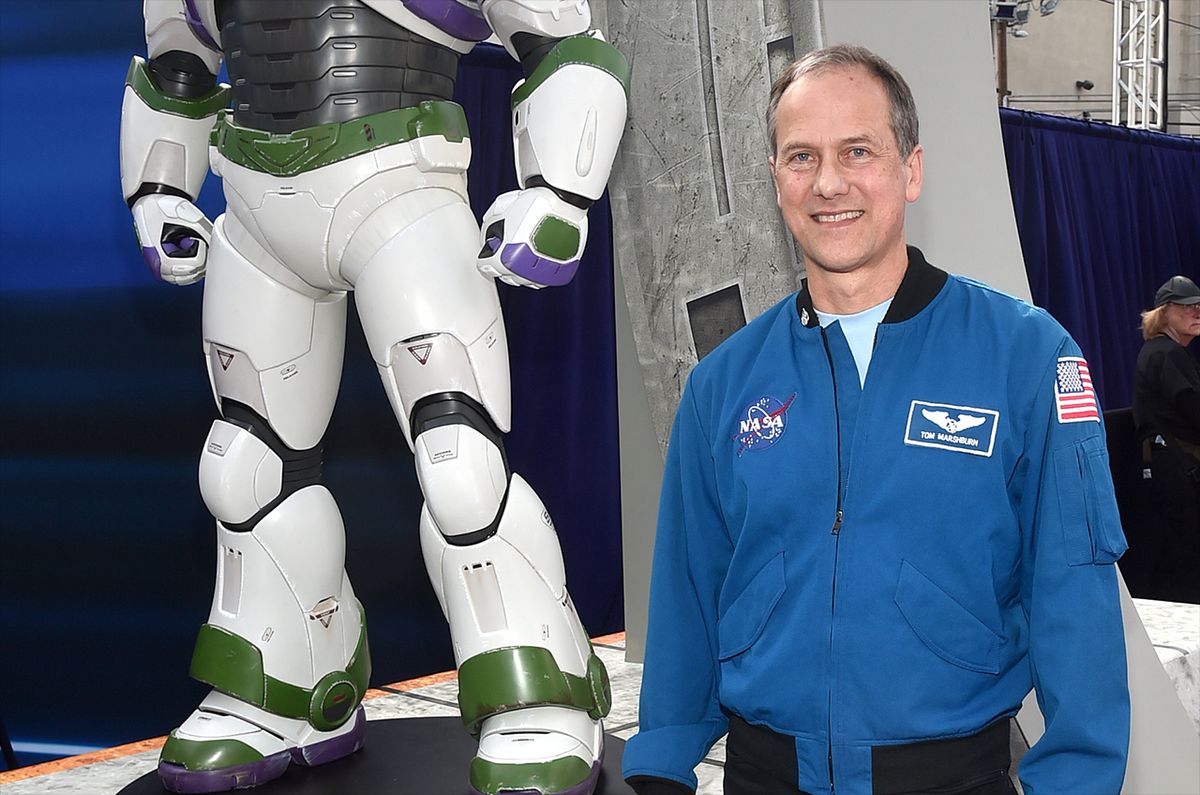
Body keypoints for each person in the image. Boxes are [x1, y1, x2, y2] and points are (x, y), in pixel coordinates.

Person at [119, 1, 627, 793]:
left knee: (459, 461)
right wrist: (158, 186)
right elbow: (176, 63)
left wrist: (559, 190)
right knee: (243, 462)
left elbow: (566, 46)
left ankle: (545, 688)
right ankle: (287, 682)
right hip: (253, 206)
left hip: (402, 192)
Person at [622, 45, 1129, 795]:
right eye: (802, 157)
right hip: (765, 778)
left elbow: (1074, 600)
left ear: (910, 168)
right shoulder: (723, 385)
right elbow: (689, 592)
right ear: (775, 180)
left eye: (858, 150)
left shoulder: (1025, 358)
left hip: (953, 776)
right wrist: (663, 757)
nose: (829, 182)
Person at [1132, 275, 1200, 603]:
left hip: (1170, 466)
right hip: (1178, 469)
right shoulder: (1166, 354)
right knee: (1185, 552)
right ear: (1165, 312)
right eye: (1187, 306)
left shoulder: (1164, 352)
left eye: (1199, 306)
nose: (1196, 312)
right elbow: (1194, 412)